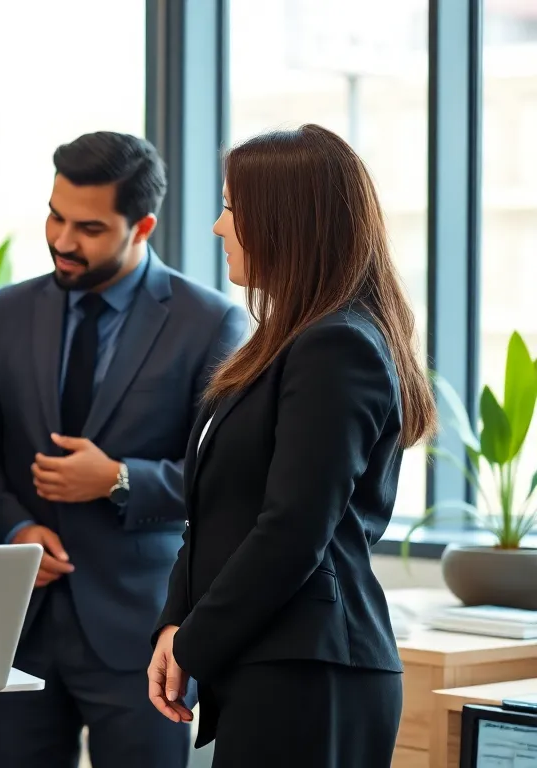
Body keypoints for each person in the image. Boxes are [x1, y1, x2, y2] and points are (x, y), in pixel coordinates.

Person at [147, 124, 437, 767]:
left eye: (232, 208)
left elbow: (293, 530)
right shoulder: (284, 342)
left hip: (312, 672)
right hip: (273, 663)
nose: (218, 227)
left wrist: (192, 641)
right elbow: (216, 515)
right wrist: (175, 622)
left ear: (286, 223)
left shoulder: (337, 345)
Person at [0, 132, 248, 768]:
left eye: (89, 228)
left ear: (142, 226)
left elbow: (224, 479)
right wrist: (14, 528)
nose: (63, 240)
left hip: (139, 633)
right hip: (15, 625)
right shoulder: (5, 311)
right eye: (56, 217)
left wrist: (119, 479)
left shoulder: (209, 322)